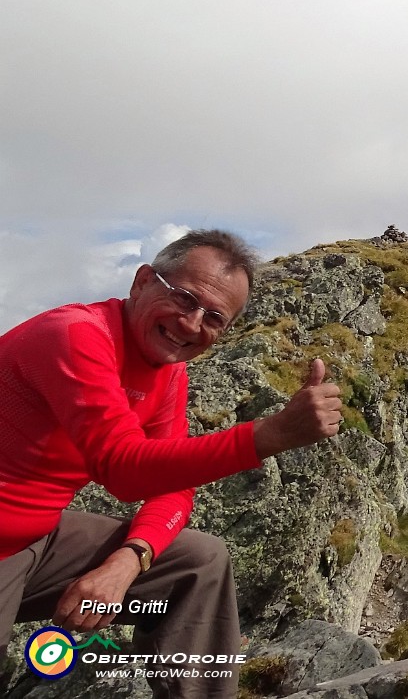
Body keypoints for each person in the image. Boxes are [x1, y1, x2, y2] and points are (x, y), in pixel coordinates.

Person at [0, 229, 343, 698]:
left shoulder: (168, 374)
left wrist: (129, 559)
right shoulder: (74, 336)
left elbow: (173, 489)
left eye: (215, 317)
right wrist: (271, 435)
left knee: (198, 562)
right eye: (184, 298)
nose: (192, 323)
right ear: (142, 281)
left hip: (34, 535)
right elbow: (122, 468)